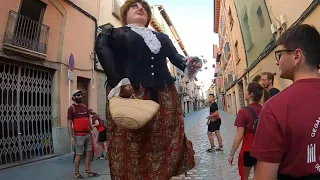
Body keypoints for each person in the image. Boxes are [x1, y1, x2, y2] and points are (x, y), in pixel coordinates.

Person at [95, 0, 195, 179]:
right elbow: (102, 48)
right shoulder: (114, 33)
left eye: (144, 8)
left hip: (163, 95)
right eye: (134, 6)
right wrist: (118, 81)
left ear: (148, 17)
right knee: (131, 142)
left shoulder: (162, 38)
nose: (140, 8)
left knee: (163, 142)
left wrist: (189, 64)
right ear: (125, 14)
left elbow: (176, 58)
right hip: (130, 93)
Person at [251, 24, 320, 179]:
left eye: (279, 55)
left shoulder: (274, 107)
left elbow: (264, 176)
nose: (277, 62)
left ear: (296, 56)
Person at [228, 82, 263, 180]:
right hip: (261, 150)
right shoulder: (265, 108)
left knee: (244, 177)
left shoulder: (243, 111)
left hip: (248, 151)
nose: (244, 93)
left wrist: (231, 154)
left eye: (246, 91)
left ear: (250, 94)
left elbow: (239, 136)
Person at [67, 90, 99, 179]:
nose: (80, 96)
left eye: (81, 95)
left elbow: (88, 119)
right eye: (78, 95)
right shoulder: (71, 109)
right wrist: (71, 137)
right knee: (79, 154)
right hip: (78, 135)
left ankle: (88, 171)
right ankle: (77, 173)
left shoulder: (85, 107)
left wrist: (91, 129)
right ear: (73, 97)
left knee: (89, 153)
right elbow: (69, 123)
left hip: (88, 134)